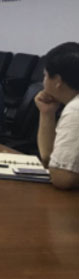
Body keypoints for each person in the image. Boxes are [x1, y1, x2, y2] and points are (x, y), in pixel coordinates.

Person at [34, 42, 79, 190]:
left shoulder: (75, 110)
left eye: (45, 76)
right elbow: (49, 159)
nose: (43, 81)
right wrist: (47, 113)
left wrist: (58, 171)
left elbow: (62, 177)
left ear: (58, 81)